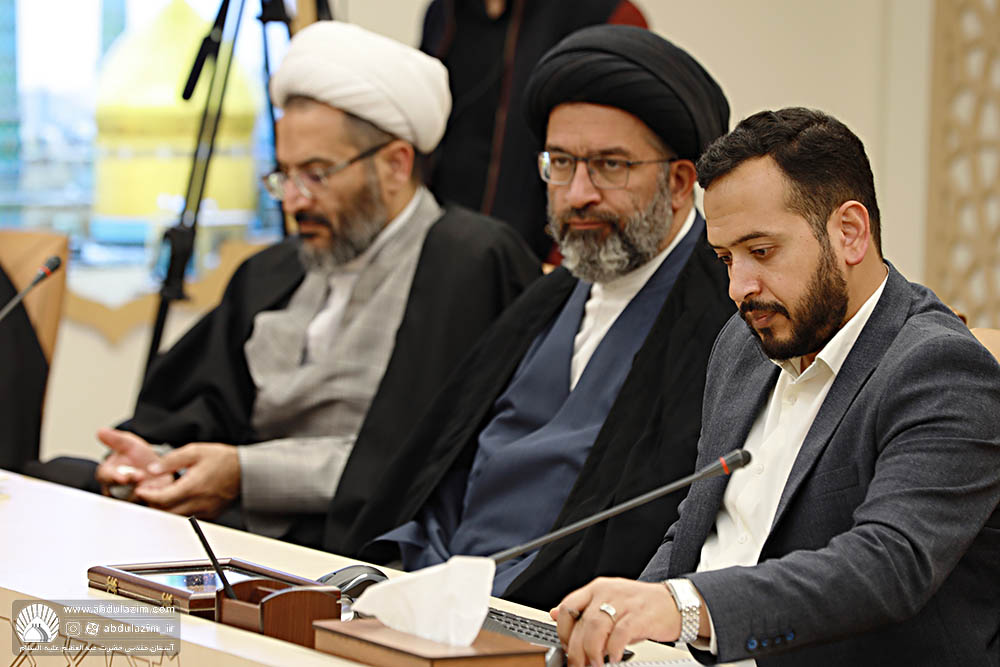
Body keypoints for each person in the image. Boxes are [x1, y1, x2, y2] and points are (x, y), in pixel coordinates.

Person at [552, 108, 1000, 667]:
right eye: (725, 259)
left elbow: (887, 564)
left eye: (761, 252)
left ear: (849, 232)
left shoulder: (940, 368)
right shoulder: (743, 345)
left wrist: (684, 608)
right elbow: (699, 529)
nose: (739, 288)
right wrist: (621, 625)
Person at [326, 25, 735, 610]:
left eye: (610, 165)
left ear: (678, 182)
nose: (578, 193)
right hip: (428, 590)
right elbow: (442, 471)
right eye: (561, 163)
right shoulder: (543, 299)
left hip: (552, 614)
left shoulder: (726, 321)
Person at [91, 21, 540, 548]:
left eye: (317, 174)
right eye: (285, 175)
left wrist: (244, 474)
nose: (294, 201)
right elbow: (200, 408)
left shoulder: (467, 263)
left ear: (396, 165)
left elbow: (422, 459)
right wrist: (156, 462)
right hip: (237, 526)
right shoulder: (274, 270)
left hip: (364, 544)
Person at [421, 0, 648, 261]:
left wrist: (565, 262)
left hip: (543, 260)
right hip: (444, 249)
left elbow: (622, 159)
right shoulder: (444, 12)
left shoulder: (607, 14)